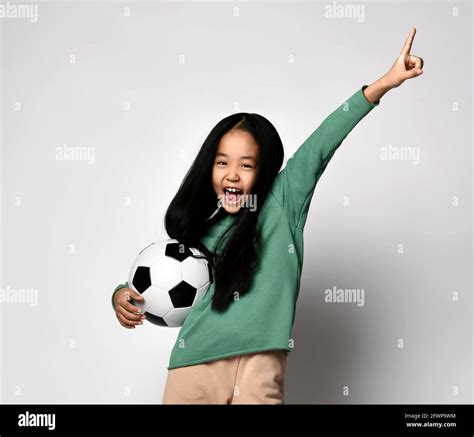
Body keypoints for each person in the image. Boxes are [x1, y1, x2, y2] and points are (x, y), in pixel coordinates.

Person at [111, 28, 424, 404]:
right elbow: (155, 284)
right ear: (208, 169)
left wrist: (384, 84)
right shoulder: (201, 235)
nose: (231, 174)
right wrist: (121, 296)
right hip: (194, 364)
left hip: (262, 362)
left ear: (263, 171)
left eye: (246, 165)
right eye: (222, 162)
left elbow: (323, 142)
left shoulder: (282, 203)